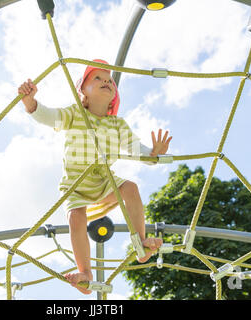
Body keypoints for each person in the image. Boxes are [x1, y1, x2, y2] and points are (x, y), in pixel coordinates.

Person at [18, 59, 172, 294]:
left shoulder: (117, 124)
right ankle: (86, 274)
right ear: (84, 92)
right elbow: (49, 116)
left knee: (130, 188)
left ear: (114, 95)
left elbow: (135, 149)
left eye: (109, 80)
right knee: (76, 218)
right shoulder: (75, 114)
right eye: (97, 78)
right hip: (76, 185)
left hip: (103, 183)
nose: (106, 82)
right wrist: (30, 102)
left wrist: (153, 154)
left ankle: (141, 245)